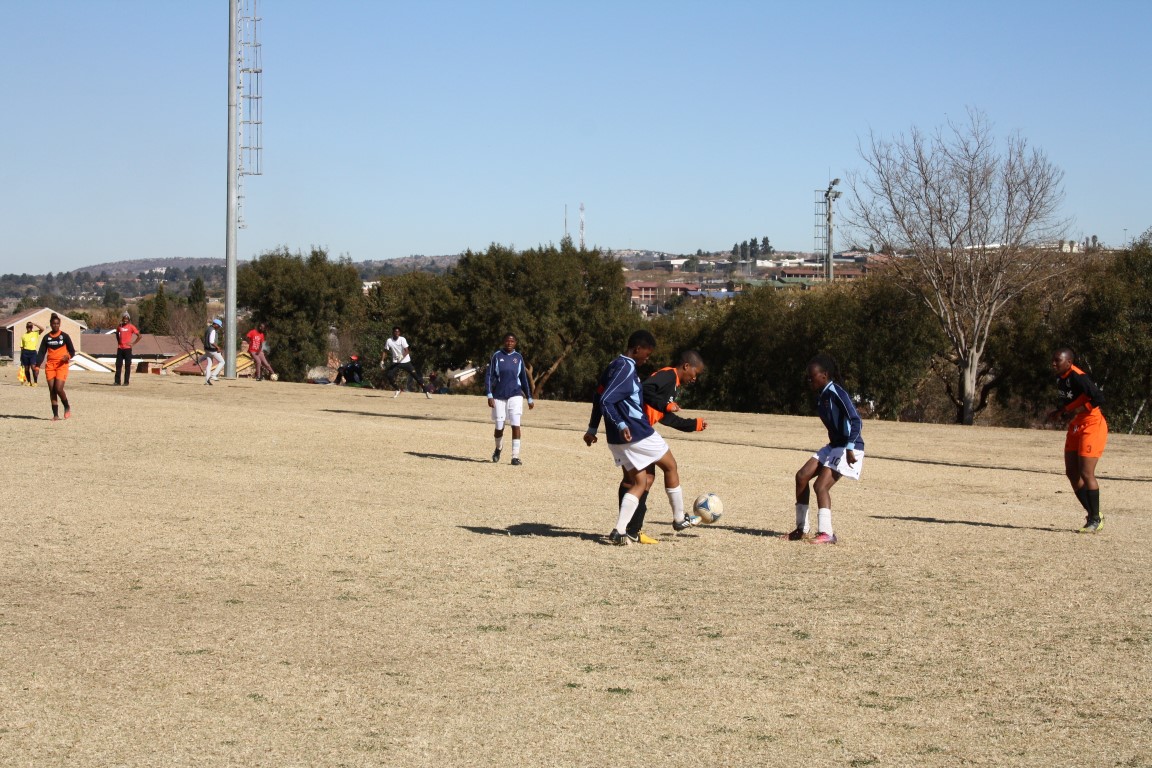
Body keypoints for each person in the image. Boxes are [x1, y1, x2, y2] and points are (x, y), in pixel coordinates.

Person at [582, 330, 690, 546]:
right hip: (636, 432)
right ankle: (679, 518)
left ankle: (620, 531)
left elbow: (598, 396)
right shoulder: (626, 367)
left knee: (640, 481)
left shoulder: (613, 365)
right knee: (670, 465)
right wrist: (621, 424)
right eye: (646, 354)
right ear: (637, 349)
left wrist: (593, 428)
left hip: (617, 438)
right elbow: (605, 400)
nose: (647, 359)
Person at [788, 354, 865, 545]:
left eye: (812, 376)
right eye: (808, 377)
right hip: (834, 446)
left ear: (825, 375)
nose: (809, 380)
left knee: (820, 486)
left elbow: (856, 420)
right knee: (802, 476)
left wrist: (850, 447)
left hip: (849, 447)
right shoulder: (822, 396)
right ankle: (801, 530)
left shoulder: (836, 392)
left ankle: (827, 533)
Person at [1046, 348, 1108, 534]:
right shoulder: (1060, 377)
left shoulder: (1078, 377)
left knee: (1086, 473)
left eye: (1057, 360)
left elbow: (1098, 397)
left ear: (1069, 362)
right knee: (1072, 472)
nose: (1053, 363)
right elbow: (1074, 400)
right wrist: (1061, 412)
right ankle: (1094, 514)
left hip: (1092, 424)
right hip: (1076, 425)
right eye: (1053, 360)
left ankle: (1095, 520)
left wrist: (1078, 409)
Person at [486, 333, 534, 465]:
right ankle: (498, 448)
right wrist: (489, 394)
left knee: (515, 425)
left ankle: (515, 456)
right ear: (504, 342)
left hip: (515, 395)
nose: (509, 343)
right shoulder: (496, 356)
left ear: (515, 343)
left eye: (512, 341)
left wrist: (529, 397)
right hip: (499, 396)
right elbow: (489, 376)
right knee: (499, 427)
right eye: (507, 341)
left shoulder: (518, 357)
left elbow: (523, 378)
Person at [33, 313, 76, 421]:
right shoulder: (46, 338)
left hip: (62, 365)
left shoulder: (64, 336)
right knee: (52, 390)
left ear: (59, 324)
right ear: (51, 324)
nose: (55, 325)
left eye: (57, 323)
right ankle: (55, 415)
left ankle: (66, 406)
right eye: (54, 323)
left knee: (58, 388)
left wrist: (68, 356)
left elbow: (72, 351)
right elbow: (41, 353)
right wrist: (37, 366)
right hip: (50, 366)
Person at [382, 326, 430, 399]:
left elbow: (407, 350)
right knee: (389, 375)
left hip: (406, 361)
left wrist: (401, 356)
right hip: (396, 362)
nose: (397, 333)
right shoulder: (389, 341)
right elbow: (385, 351)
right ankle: (398, 389)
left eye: (398, 332)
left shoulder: (402, 339)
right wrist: (382, 361)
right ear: (393, 332)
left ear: (399, 333)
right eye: (395, 331)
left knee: (416, 376)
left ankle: (426, 391)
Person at [113, 312, 141, 386]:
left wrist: (133, 343)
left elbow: (139, 336)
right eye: (124, 319)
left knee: (127, 366)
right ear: (122, 319)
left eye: (127, 319)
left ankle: (126, 382)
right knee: (118, 365)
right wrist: (119, 341)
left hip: (127, 349)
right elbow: (117, 334)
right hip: (120, 348)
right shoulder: (119, 326)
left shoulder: (131, 327)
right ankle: (117, 382)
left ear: (128, 319)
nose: (125, 320)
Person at [198, 318, 225, 385]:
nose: (219, 327)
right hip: (212, 349)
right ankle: (214, 375)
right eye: (218, 326)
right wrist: (218, 347)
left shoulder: (208, 329)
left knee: (209, 364)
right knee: (222, 362)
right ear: (215, 324)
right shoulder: (213, 330)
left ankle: (207, 381)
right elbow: (211, 341)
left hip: (206, 349)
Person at [19, 320, 43, 387]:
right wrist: (21, 356)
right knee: (26, 369)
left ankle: (35, 382)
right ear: (26, 327)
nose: (29, 328)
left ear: (32, 327)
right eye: (28, 327)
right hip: (25, 352)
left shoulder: (35, 333)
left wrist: (35, 324)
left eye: (30, 327)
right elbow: (22, 347)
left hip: (33, 352)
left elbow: (42, 329)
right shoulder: (24, 336)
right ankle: (29, 382)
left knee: (33, 367)